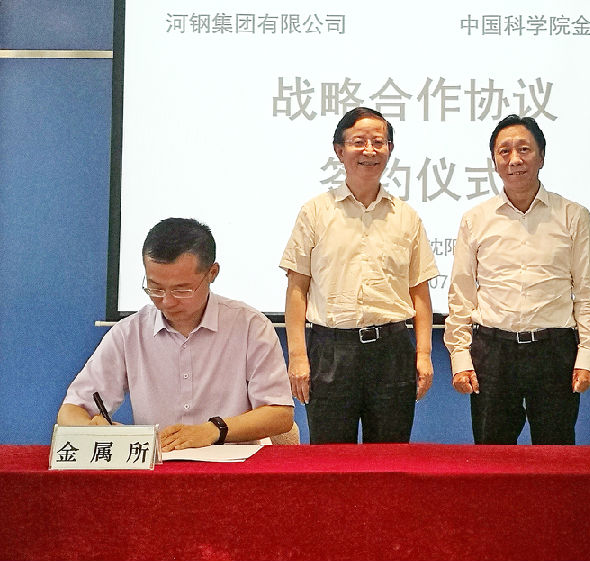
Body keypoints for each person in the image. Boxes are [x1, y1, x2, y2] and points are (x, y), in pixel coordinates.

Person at [58, 218, 294, 452]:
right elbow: (71, 411)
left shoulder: (250, 326)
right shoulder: (129, 333)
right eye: (155, 288)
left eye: (182, 290)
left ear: (212, 273)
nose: (167, 301)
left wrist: (213, 430)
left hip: (234, 465)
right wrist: (98, 431)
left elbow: (280, 415)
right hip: (159, 466)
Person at [444, 114, 590, 445]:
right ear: (494, 161)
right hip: (493, 353)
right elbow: (461, 294)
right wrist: (460, 358)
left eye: (524, 149)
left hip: (554, 352)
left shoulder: (573, 216)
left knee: (555, 455)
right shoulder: (475, 220)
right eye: (504, 151)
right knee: (491, 456)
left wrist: (588, 356)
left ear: (541, 156)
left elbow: (588, 293)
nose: (514, 159)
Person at [280, 107, 439, 444]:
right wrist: (297, 357)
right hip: (330, 351)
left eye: (378, 142)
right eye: (358, 142)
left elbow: (420, 292)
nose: (369, 150)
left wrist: (424, 354)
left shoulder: (406, 216)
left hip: (392, 350)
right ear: (340, 151)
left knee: (390, 457)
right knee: (331, 459)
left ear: (389, 149)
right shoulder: (315, 212)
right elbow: (297, 289)